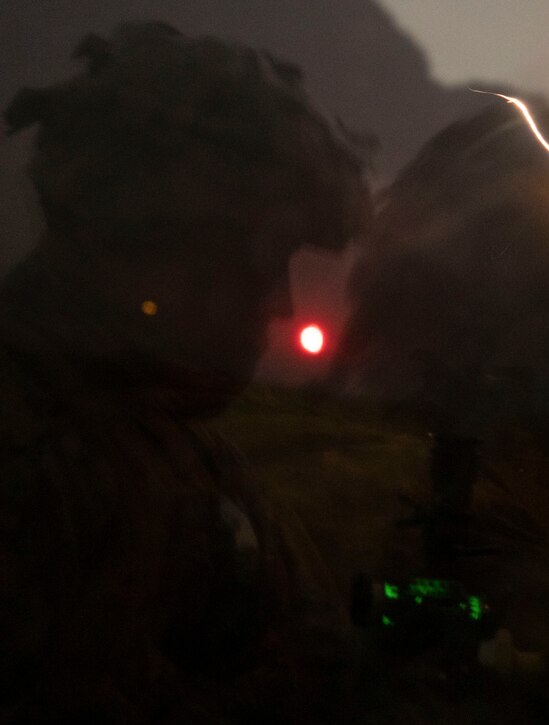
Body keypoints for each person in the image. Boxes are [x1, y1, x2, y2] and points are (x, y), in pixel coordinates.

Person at [0, 22, 370, 722]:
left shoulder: (168, 439)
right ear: (157, 244)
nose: (283, 305)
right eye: (261, 259)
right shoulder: (35, 464)